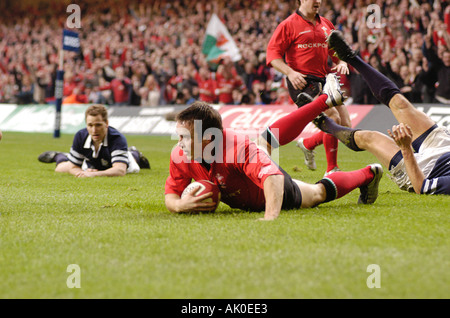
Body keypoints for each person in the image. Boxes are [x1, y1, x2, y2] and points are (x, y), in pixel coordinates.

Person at [164, 75, 383, 220]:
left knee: (317, 193)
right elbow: (171, 194)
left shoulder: (236, 149)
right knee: (266, 140)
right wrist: (180, 206)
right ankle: (324, 100)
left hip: (269, 192)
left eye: (184, 137)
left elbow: (274, 178)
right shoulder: (180, 154)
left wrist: (270, 217)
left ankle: (369, 173)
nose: (178, 142)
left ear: (207, 139)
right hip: (247, 172)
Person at [313, 30, 450, 195]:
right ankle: (350, 57)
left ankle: (326, 124)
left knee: (371, 138)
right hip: (444, 146)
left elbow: (422, 187)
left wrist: (406, 149)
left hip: (423, 170)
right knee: (400, 103)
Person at [265, 0, 350, 176]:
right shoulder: (288, 25)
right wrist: (290, 73)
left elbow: (335, 51)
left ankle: (308, 144)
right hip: (302, 82)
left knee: (346, 127)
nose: (318, 1)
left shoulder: (326, 24)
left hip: (323, 80)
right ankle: (332, 169)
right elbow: (273, 55)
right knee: (333, 116)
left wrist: (341, 62)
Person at [38, 104, 150, 177]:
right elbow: (73, 167)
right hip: (93, 164)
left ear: (106, 123)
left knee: (131, 161)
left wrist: (94, 175)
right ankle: (59, 156)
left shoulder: (117, 138)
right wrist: (81, 173)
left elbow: (120, 171)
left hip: (119, 164)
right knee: (60, 168)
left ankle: (135, 153)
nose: (94, 130)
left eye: (98, 125)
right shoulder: (80, 136)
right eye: (90, 125)